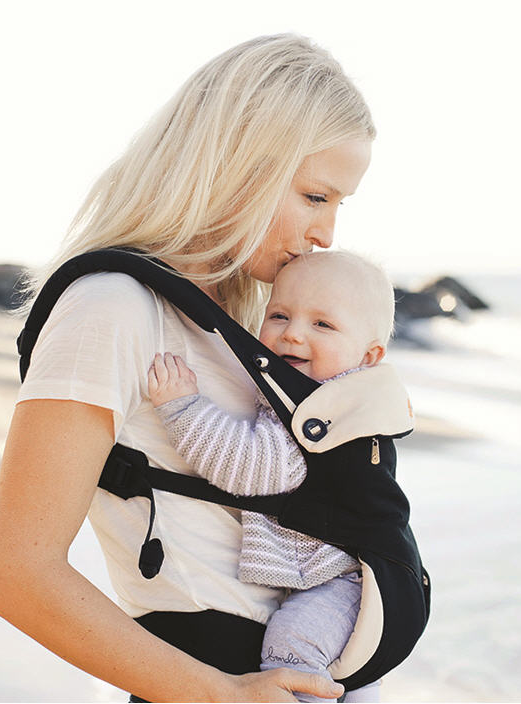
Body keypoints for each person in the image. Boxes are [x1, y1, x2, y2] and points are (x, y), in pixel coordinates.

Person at [0, 34, 375, 702]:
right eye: (315, 196)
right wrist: (226, 695)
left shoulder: (243, 321)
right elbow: (19, 576)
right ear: (238, 162)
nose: (327, 235)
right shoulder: (111, 306)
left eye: (340, 204)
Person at [147, 251, 396, 702]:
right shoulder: (339, 400)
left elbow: (250, 467)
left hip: (340, 582)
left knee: (291, 649)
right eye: (279, 315)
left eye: (322, 324)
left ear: (369, 355)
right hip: (350, 583)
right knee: (351, 680)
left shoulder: (319, 414)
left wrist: (183, 408)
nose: (293, 333)